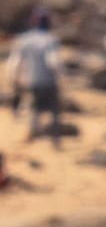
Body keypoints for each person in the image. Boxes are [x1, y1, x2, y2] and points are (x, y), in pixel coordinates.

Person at [11, 10, 64, 148]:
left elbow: (15, 63)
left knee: (34, 109)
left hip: (31, 80)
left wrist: (14, 79)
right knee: (54, 110)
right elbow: (53, 61)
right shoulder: (50, 40)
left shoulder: (24, 40)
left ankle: (32, 135)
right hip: (48, 80)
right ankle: (55, 139)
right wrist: (61, 76)